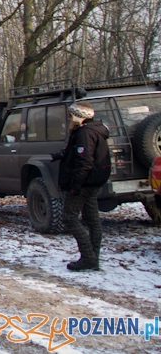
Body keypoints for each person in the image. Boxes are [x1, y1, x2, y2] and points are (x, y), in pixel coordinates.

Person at [51, 101, 112, 271]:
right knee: (91, 219)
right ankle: (93, 258)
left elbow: (84, 161)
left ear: (78, 116)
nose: (69, 118)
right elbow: (82, 153)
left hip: (83, 182)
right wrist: (61, 155)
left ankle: (89, 257)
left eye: (71, 115)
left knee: (69, 217)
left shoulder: (85, 133)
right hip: (93, 181)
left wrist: (75, 185)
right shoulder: (96, 130)